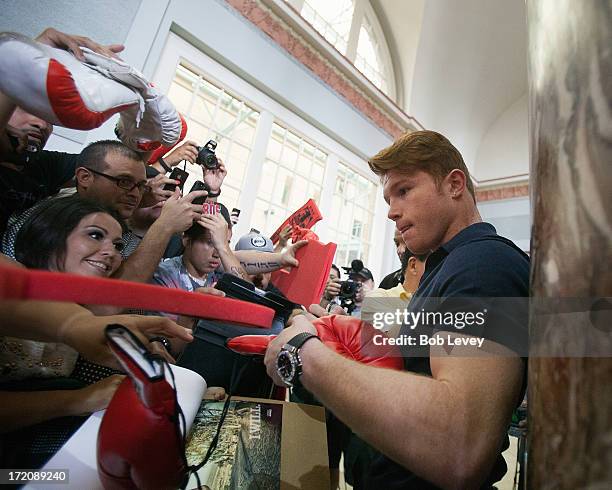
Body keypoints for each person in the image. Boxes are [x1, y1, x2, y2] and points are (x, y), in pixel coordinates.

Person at [263, 130, 529, 489]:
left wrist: (303, 354)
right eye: (389, 198)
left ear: (453, 185)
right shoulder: (447, 269)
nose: (391, 212)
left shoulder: (483, 264)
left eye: (404, 190)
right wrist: (344, 345)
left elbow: (460, 444)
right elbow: (422, 379)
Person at [2, 140, 208, 284]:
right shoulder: (52, 216)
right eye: (124, 182)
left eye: (141, 186)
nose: (135, 194)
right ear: (84, 178)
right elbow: (106, 304)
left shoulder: (119, 230)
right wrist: (165, 225)